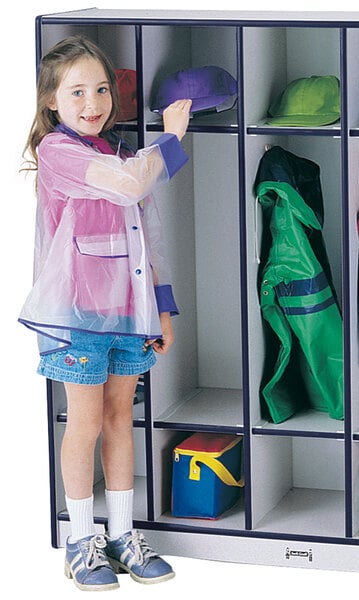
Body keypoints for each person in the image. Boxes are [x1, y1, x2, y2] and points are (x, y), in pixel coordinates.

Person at [18, 35, 192, 591]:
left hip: (127, 314)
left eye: (100, 90)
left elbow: (149, 241)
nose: (92, 103)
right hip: (77, 317)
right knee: (86, 422)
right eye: (77, 93)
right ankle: (81, 541)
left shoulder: (116, 150)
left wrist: (162, 310)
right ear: (51, 101)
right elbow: (130, 186)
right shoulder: (59, 153)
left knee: (121, 419)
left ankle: (123, 535)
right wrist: (172, 138)